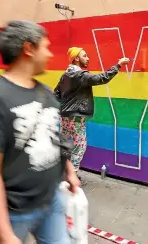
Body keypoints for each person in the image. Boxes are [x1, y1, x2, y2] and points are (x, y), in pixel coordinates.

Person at [0, 20, 80, 244]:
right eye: (46, 47)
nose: (49, 54)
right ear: (28, 48)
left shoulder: (46, 92)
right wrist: (6, 237)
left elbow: (52, 136)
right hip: (13, 212)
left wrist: (69, 169)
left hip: (52, 199)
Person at [54, 47, 130, 182]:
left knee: (64, 144)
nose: (88, 58)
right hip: (76, 117)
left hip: (65, 116)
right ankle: (72, 175)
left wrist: (65, 106)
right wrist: (118, 65)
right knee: (80, 145)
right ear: (76, 58)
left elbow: (56, 93)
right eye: (85, 55)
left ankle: (60, 172)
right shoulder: (80, 75)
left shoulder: (65, 75)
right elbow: (102, 78)